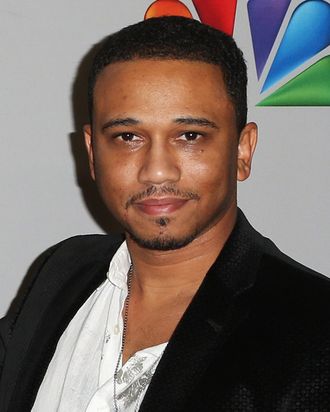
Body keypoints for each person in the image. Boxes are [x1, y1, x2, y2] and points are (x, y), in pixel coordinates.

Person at [0, 16, 329, 412]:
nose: (157, 170)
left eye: (190, 136)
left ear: (242, 151)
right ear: (92, 152)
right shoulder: (61, 272)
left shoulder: (314, 331)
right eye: (128, 137)